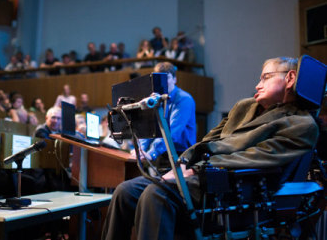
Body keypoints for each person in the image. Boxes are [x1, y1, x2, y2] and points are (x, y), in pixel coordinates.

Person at [102, 57, 319, 240]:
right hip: (200, 174)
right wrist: (182, 164)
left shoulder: (302, 124)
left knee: (157, 194)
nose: (257, 85)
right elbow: (207, 140)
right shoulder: (244, 106)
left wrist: (199, 168)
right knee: (125, 191)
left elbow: (257, 158)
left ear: (290, 78)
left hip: (232, 186)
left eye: (265, 77)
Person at [133, 62, 196, 163]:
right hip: (163, 154)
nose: (163, 82)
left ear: (175, 79)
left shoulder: (184, 99)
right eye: (159, 79)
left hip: (182, 157)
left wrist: (152, 152)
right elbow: (149, 129)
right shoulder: (155, 99)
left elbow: (172, 133)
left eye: (167, 78)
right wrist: (140, 150)